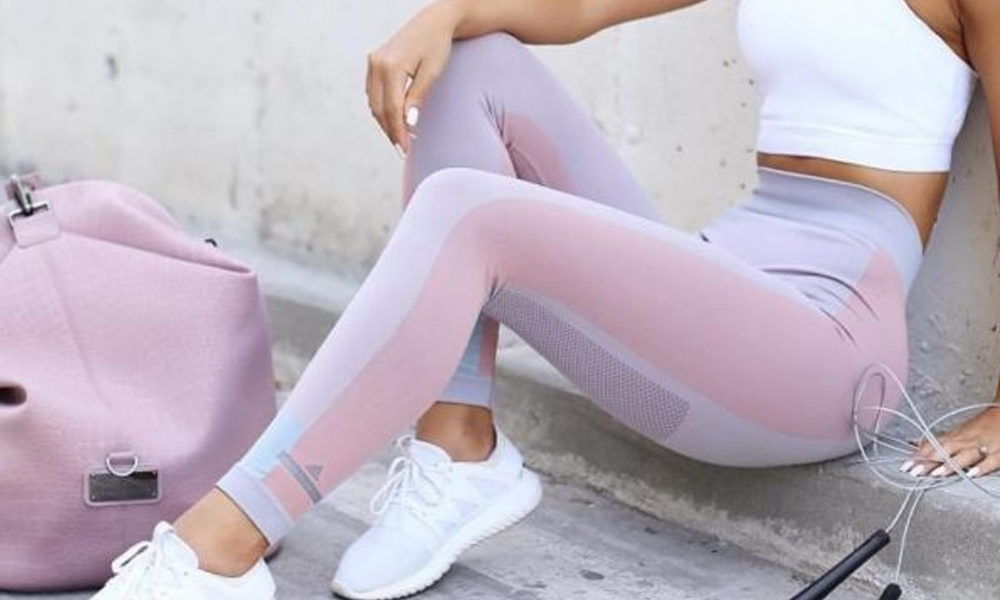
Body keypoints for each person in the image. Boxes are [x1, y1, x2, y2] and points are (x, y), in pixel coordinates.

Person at [88, 0, 1000, 598]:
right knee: (469, 61)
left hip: (826, 350)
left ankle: (227, 540)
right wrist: (443, 14)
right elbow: (580, 6)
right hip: (725, 284)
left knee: (469, 212)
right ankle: (459, 449)